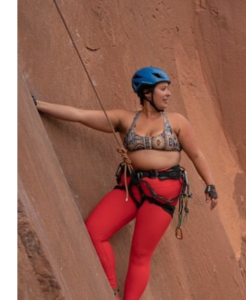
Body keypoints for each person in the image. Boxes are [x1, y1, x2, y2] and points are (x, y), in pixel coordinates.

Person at [35, 67, 218, 300]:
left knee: (140, 255)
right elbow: (79, 114)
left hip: (162, 197)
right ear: (147, 93)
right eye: (163, 89)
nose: (169, 94)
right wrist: (38, 104)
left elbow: (197, 155)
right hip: (131, 188)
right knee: (94, 230)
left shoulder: (177, 122)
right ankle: (110, 288)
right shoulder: (124, 119)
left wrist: (210, 184)